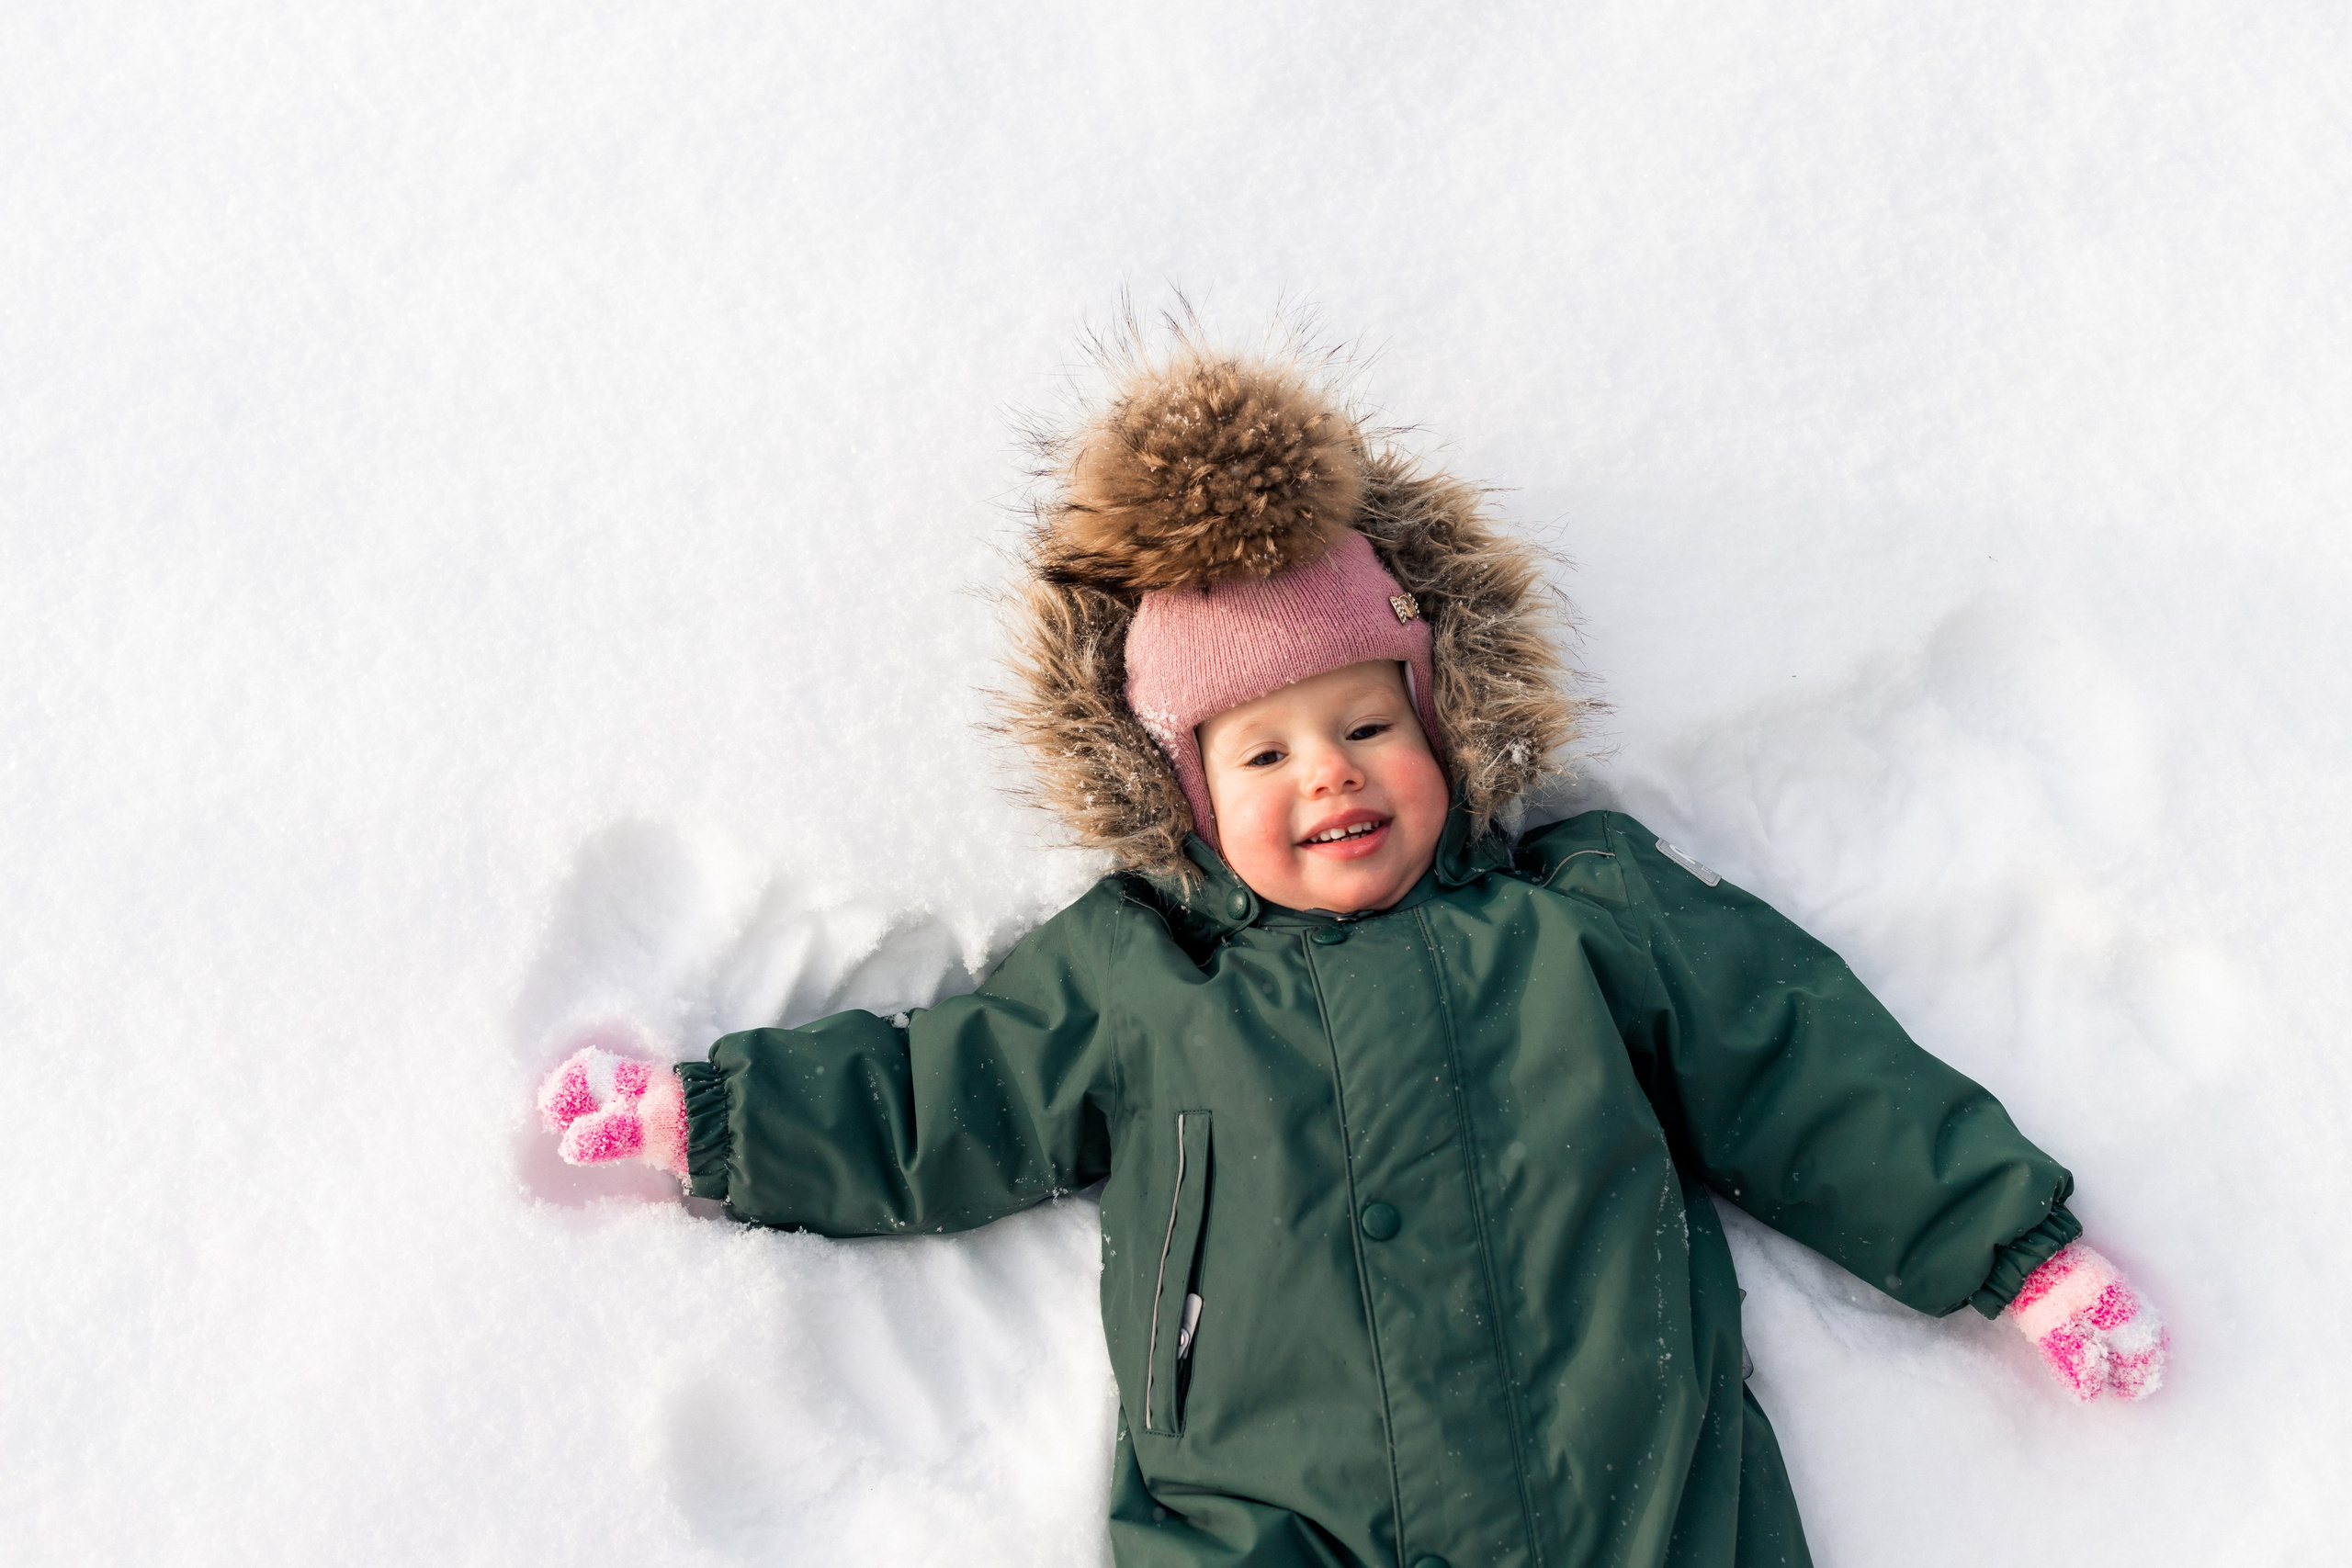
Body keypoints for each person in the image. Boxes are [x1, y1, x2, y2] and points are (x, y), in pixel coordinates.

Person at [535, 344, 2165, 1568]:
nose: (1328, 774)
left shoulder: (1582, 924)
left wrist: (2011, 1250)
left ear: (1440, 723)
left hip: (1627, 1503)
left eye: (1368, 723)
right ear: (1182, 794)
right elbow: (942, 1091)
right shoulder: (1140, 980)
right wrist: (720, 1123)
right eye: (1262, 755)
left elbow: (1802, 1069)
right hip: (1272, 1518)